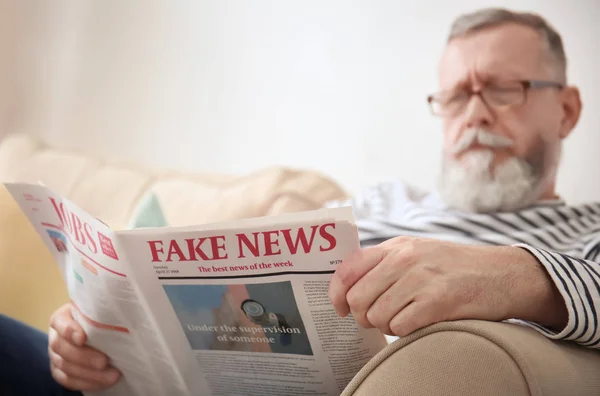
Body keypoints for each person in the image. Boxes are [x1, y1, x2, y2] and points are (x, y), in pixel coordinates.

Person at [1, 6, 598, 395]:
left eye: (502, 88)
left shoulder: (586, 235)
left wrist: (517, 276)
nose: (475, 113)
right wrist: (96, 332)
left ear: (566, 109)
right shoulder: (378, 202)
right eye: (454, 96)